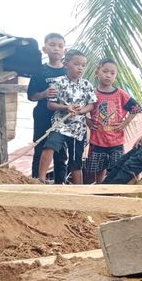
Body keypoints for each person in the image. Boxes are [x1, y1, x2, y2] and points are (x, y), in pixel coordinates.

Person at [37, 49, 97, 185]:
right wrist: (66, 108)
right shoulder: (58, 83)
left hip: (78, 128)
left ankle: (78, 192)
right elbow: (50, 105)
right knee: (49, 146)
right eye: (76, 64)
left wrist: (82, 110)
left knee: (76, 161)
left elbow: (91, 105)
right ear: (66, 64)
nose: (80, 68)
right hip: (60, 124)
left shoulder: (87, 85)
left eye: (83, 65)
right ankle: (40, 180)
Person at [85, 58, 142, 183]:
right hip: (98, 140)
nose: (108, 75)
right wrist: (87, 121)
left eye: (112, 73)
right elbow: (80, 109)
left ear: (116, 76)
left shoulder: (120, 94)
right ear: (97, 72)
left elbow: (137, 108)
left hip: (116, 141)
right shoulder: (92, 93)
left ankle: (113, 192)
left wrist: (125, 123)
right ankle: (99, 190)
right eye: (105, 71)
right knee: (98, 170)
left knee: (117, 169)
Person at [27, 33, 68, 183]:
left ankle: (60, 184)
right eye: (52, 45)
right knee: (40, 147)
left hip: (63, 118)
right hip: (42, 116)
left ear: (65, 50)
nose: (56, 49)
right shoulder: (39, 71)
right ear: (45, 49)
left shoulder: (68, 72)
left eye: (60, 46)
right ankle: (35, 182)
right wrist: (44, 94)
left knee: (61, 151)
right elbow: (31, 96)